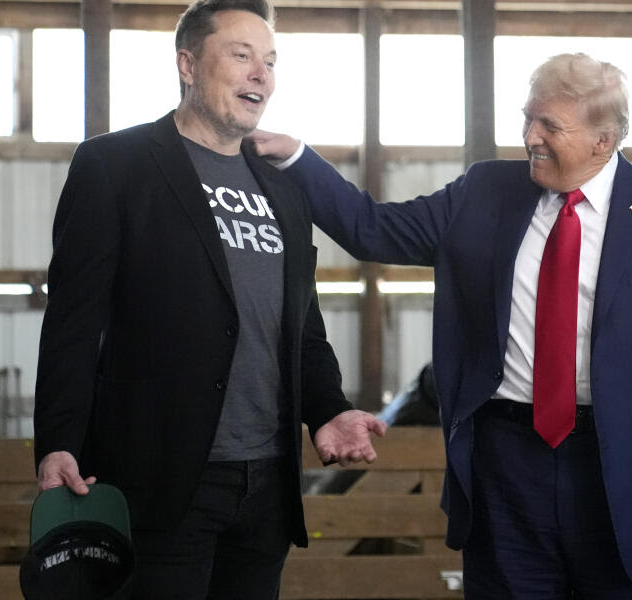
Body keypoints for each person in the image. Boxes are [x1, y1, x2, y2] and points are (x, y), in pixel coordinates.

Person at [250, 52, 632, 598]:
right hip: (506, 466)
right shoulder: (485, 191)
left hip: (625, 472)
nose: (530, 136)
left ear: (605, 140)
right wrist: (297, 158)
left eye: (550, 125)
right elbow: (372, 230)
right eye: (528, 118)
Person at [32, 1, 386, 597]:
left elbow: (301, 323)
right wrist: (57, 442)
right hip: (161, 476)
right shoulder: (115, 165)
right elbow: (74, 317)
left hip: (267, 481)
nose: (260, 74)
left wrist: (327, 407)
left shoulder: (282, 183)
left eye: (270, 62)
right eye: (242, 55)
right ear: (188, 64)